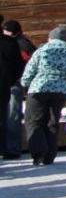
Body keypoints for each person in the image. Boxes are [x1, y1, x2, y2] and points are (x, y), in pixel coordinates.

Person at [20, 26, 66, 166]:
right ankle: (49, 156)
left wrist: (25, 83)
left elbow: (30, 70)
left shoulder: (41, 51)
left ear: (49, 38)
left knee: (34, 121)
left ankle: (39, 153)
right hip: (59, 91)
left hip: (38, 89)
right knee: (52, 123)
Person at [0, 17, 23, 161]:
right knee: (4, 119)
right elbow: (18, 67)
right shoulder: (9, 42)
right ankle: (5, 148)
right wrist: (8, 80)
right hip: (3, 87)